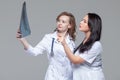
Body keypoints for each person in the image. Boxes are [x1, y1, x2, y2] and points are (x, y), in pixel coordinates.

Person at [16, 11, 76, 80]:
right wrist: (22, 39)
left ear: (69, 25)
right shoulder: (49, 38)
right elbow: (34, 52)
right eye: (58, 21)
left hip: (68, 77)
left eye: (63, 22)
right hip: (53, 76)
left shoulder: (71, 41)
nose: (60, 23)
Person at [61, 13, 105, 80]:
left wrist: (64, 43)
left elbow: (75, 60)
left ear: (91, 25)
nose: (81, 22)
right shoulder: (84, 42)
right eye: (82, 20)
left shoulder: (96, 45)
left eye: (84, 21)